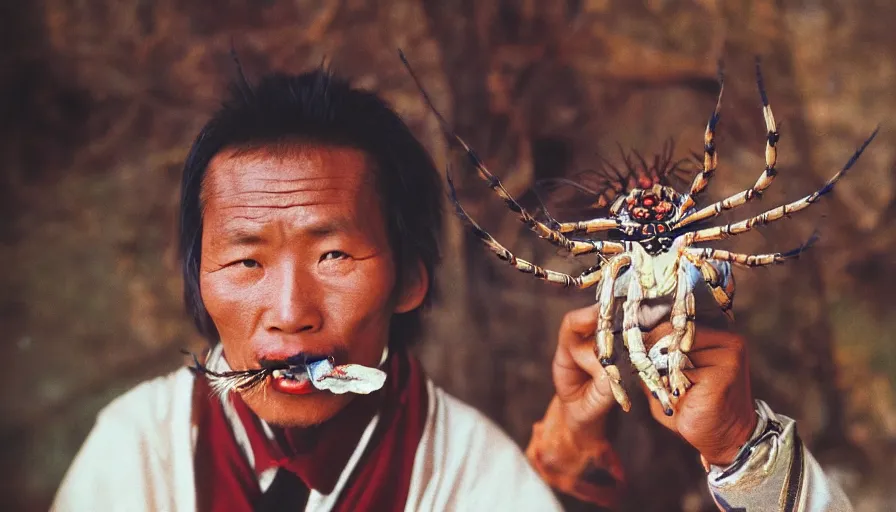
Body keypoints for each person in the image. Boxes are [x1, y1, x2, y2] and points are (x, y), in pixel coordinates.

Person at [50, 62, 853, 512]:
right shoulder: (137, 450)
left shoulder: (478, 477)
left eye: (334, 256)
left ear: (410, 279)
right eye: (246, 261)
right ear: (197, 279)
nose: (289, 315)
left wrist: (740, 449)